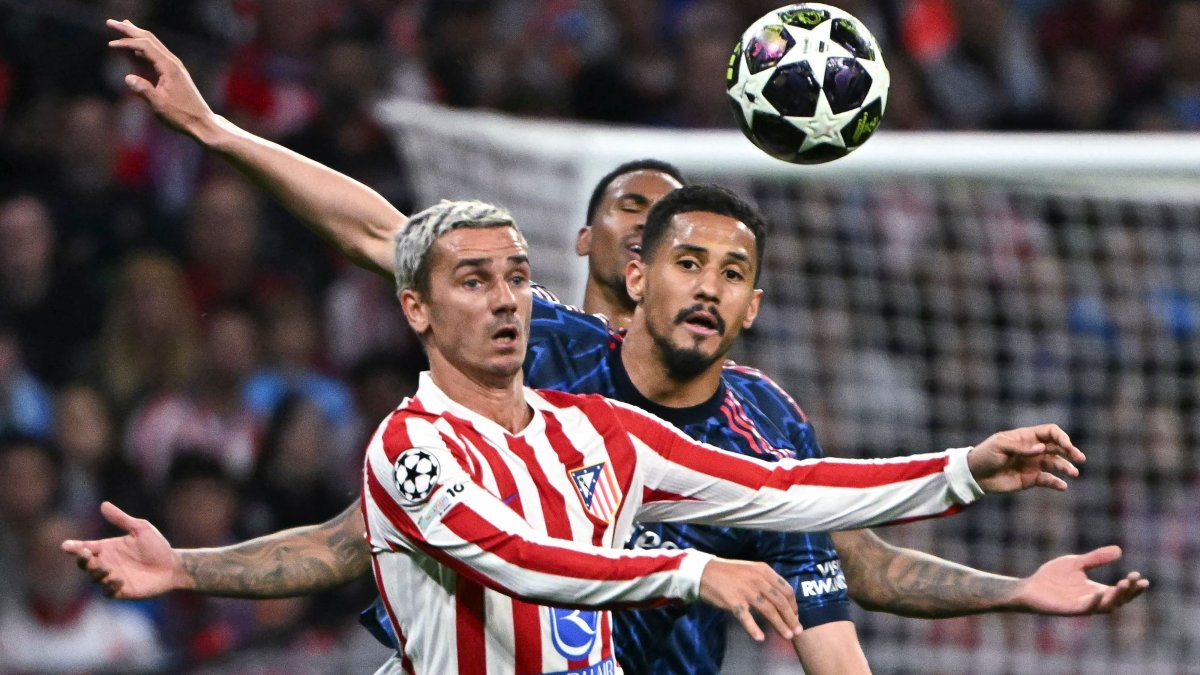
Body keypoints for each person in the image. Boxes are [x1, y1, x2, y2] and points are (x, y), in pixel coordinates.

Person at [63, 19, 1139, 674]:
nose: (699, 278)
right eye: (665, 241)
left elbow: (839, 555)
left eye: (730, 269)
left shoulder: (752, 432)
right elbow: (378, 237)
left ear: (756, 303)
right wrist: (214, 131)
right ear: (629, 268)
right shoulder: (533, 359)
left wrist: (998, 567)